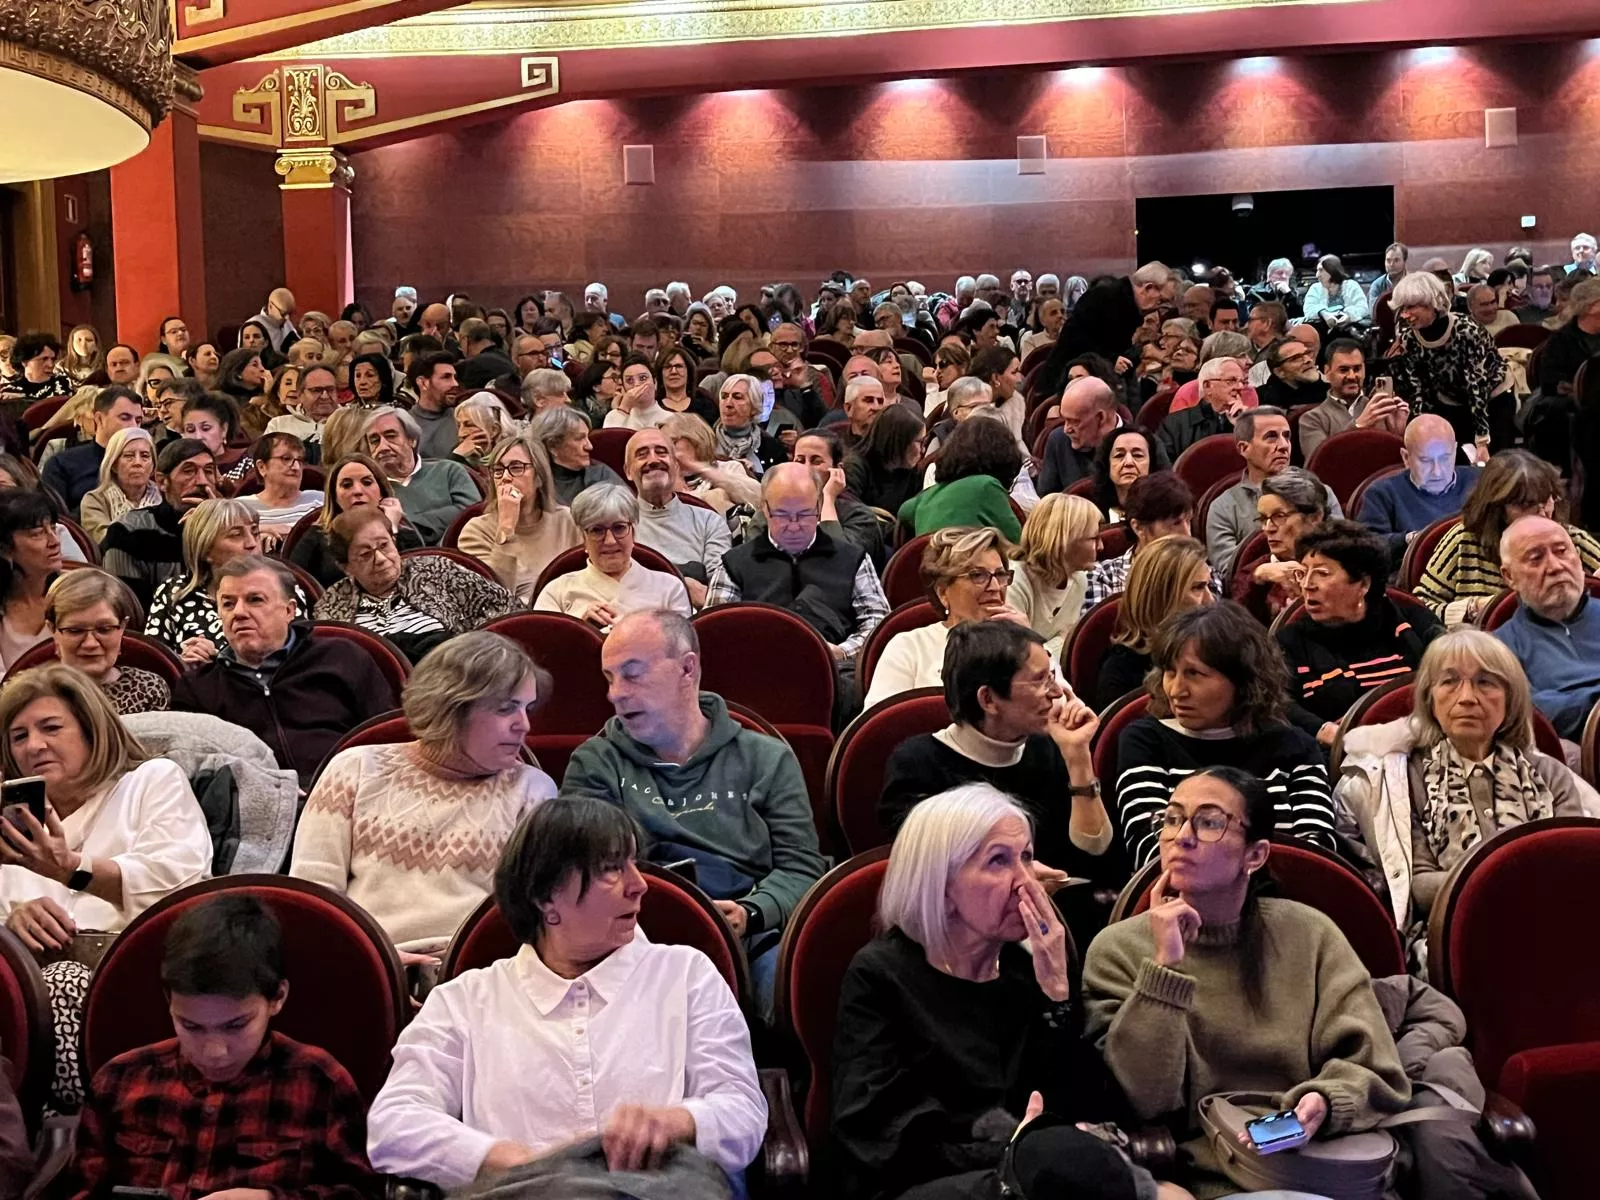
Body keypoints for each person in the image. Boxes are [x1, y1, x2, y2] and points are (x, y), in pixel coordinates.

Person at [366, 796, 766, 1189]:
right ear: (546, 897)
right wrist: (518, 1164)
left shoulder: (686, 975)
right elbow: (394, 1124)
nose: (640, 885)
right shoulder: (466, 1000)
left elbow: (744, 1114)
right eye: (612, 869)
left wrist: (679, 1122)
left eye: (634, 864)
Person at [1084, 766, 1411, 1197]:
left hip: (1322, 1159)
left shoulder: (1310, 934)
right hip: (1219, 1171)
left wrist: (1327, 1101)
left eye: (1209, 822)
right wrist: (1165, 968)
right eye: (1172, 818)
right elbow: (1144, 1098)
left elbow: (1375, 1065)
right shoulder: (1118, 949)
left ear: (1254, 856)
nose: (1182, 836)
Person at [832, 784, 1167, 1200]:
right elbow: (884, 1137)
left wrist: (1057, 995)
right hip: (921, 1185)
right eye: (998, 862)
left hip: (1036, 1179)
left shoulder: (1023, 970)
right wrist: (1017, 1150)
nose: (1026, 882)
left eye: (1026, 857)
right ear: (941, 883)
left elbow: (1085, 1107)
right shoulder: (881, 975)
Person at [560, 609, 826, 1016]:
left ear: (687, 669)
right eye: (609, 678)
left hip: (750, 933)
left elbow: (801, 867)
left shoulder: (766, 758)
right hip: (632, 936)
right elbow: (587, 869)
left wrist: (752, 913)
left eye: (632, 673)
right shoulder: (595, 763)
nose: (615, 693)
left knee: (809, 989)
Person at [68, 893, 379, 1200]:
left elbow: (363, 1193)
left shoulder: (320, 1083)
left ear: (277, 998)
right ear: (168, 1002)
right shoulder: (120, 1081)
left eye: (236, 1025)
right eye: (191, 1026)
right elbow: (84, 1189)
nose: (214, 1051)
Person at [292, 631, 555, 955]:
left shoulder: (533, 789)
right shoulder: (354, 770)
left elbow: (534, 919)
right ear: (451, 707)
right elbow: (315, 899)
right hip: (370, 965)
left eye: (527, 708)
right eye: (507, 709)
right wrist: (377, 963)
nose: (525, 725)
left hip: (482, 973)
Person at [1337, 629, 1599, 931]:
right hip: (1453, 932)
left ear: (1510, 698)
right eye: (1449, 682)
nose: (1466, 698)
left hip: (1555, 919)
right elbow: (1417, 885)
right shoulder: (1403, 778)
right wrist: (1503, 885)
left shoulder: (1549, 773)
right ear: (1430, 698)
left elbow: (1574, 861)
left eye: (1485, 682)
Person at [0, 663, 211, 952]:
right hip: (34, 978)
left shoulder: (152, 781)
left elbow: (177, 887)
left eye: (51, 728)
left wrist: (73, 870)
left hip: (136, 965)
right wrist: (11, 925)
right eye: (19, 736)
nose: (34, 746)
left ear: (92, 731)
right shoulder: (14, 819)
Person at [1112, 602, 1336, 868]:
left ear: (1242, 682)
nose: (1175, 690)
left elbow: (1317, 851)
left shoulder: (1295, 745)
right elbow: (1151, 852)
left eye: (1194, 674)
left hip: (1288, 895)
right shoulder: (1145, 741)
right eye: (1170, 673)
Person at [881, 620, 1114, 866]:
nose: (1057, 692)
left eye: (1052, 676)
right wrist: (1015, 877)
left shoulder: (1052, 747)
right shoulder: (917, 768)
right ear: (988, 699)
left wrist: (1078, 759)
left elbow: (1096, 856)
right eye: (1040, 681)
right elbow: (925, 877)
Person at [171, 556, 396, 788]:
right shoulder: (197, 688)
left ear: (289, 611)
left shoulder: (342, 657)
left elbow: (385, 740)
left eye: (254, 600)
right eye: (228, 604)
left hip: (349, 790)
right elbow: (196, 776)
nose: (238, 613)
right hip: (252, 808)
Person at [705, 462, 889, 662]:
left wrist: (843, 651)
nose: (794, 526)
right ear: (765, 509)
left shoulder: (853, 559)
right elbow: (715, 629)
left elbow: (878, 622)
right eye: (782, 515)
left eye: (804, 514)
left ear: (819, 506)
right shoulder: (734, 564)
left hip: (836, 669)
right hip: (756, 667)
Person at [1277, 521, 1442, 742]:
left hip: (1428, 741)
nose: (1307, 585)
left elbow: (1454, 665)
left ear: (1363, 584)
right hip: (1341, 757)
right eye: (1303, 573)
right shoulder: (1289, 641)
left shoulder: (1413, 621)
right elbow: (1278, 702)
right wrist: (1323, 730)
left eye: (1322, 574)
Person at [1416, 450, 1600, 624]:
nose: (1543, 516)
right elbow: (1418, 610)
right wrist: (1472, 608)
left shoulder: (1569, 539)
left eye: (1546, 500)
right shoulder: (1463, 540)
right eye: (1527, 505)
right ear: (1498, 510)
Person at [313, 506, 519, 662]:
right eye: (366, 554)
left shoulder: (436, 569)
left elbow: (506, 607)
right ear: (346, 567)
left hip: (453, 674)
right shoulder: (332, 604)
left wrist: (471, 649)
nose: (382, 559)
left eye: (384, 546)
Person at [862, 526, 1031, 709]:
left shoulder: (1021, 642)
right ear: (943, 592)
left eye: (1000, 574)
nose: (996, 586)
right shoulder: (910, 648)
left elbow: (1059, 712)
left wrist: (1030, 643)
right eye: (978, 576)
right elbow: (882, 729)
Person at [146, 498, 305, 660]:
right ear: (206, 550)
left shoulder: (282, 585)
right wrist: (183, 661)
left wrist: (219, 661)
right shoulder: (174, 592)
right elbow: (154, 661)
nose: (252, 543)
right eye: (236, 535)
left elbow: (297, 657)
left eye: (255, 532)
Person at [1489, 515, 1600, 741]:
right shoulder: (1499, 648)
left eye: (1561, 551)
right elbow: (1534, 714)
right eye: (1536, 558)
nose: (1555, 567)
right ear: (1509, 577)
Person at [1387, 271, 1510, 460]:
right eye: (1402, 308)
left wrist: (1482, 441)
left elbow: (1477, 387)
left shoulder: (1466, 331)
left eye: (1411, 307)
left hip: (1492, 397)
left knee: (1493, 462)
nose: (1405, 314)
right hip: (1451, 400)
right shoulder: (1409, 338)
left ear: (1433, 304)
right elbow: (1418, 389)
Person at [534, 484, 692, 628]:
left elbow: (680, 649)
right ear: (583, 538)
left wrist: (632, 629)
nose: (609, 541)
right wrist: (579, 627)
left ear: (634, 532)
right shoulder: (556, 592)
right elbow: (543, 648)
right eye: (597, 530)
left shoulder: (670, 588)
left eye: (619, 528)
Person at [456, 431, 581, 603]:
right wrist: (506, 527)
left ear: (539, 477)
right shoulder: (475, 531)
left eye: (516, 468)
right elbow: (494, 596)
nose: (505, 477)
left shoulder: (568, 521)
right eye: (498, 470)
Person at [1094, 534, 1214, 710]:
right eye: (1197, 588)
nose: (1210, 600)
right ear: (1161, 597)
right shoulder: (1121, 673)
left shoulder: (1217, 648)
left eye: (1208, 586)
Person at [100, 439, 220, 610]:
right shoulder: (128, 531)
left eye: (209, 471)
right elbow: (128, 608)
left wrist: (219, 529)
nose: (202, 481)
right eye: (188, 471)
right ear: (162, 481)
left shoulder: (229, 528)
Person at [1207, 407, 1323, 580]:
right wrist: (1261, 573)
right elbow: (1227, 575)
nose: (1284, 446)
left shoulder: (1319, 491)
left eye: (1287, 436)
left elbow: (1340, 548)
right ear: (1244, 448)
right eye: (1271, 437)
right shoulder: (1223, 507)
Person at [1033, 262, 1171, 399]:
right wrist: (1110, 358)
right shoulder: (1105, 296)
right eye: (1160, 301)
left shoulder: (1128, 308)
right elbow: (1074, 336)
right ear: (1148, 288)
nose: (1159, 309)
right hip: (1065, 387)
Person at [623, 428, 730, 604]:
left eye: (661, 452)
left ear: (676, 465)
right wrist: (683, 583)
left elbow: (718, 592)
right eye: (642, 455)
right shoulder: (615, 526)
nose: (653, 460)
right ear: (627, 471)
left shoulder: (709, 522)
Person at [46, 569, 170, 715]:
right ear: (53, 630)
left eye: (104, 629)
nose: (90, 644)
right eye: (75, 631)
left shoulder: (149, 690)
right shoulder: (30, 692)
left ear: (122, 627)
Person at [289, 452, 424, 587]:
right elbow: (292, 583)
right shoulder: (317, 534)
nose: (357, 491)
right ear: (334, 496)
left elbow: (420, 581)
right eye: (347, 485)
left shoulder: (404, 532)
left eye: (367, 482)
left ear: (381, 492)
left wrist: (391, 528)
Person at [1357, 413, 1478, 562]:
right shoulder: (1382, 493)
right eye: (1426, 461)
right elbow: (1364, 547)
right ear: (1406, 457)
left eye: (1445, 458)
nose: (1437, 471)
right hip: (1413, 580)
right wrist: (1409, 539)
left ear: (1454, 450)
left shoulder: (1480, 482)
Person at [364, 406, 480, 544]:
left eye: (391, 436)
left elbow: (472, 513)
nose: (382, 447)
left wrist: (405, 522)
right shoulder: (370, 489)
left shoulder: (449, 471)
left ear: (412, 440)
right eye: (374, 440)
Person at [1229, 466, 1331, 623]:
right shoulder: (1254, 571)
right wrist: (1258, 578)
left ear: (1315, 517)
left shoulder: (1342, 565)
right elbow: (1236, 631)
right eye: (1263, 519)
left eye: (1279, 516)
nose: (1268, 528)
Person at [1084, 470, 1197, 607]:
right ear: (1138, 528)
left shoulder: (1202, 572)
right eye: (1175, 523)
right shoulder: (1103, 577)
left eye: (1189, 521)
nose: (1187, 535)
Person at [900, 415, 1023, 540]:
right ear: (1001, 457)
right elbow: (1018, 544)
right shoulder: (986, 486)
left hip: (929, 558)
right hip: (970, 559)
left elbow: (904, 511)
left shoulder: (926, 497)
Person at [1004, 492, 1099, 653]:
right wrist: (1061, 641)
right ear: (1066, 542)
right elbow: (1019, 658)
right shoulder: (1013, 582)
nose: (1101, 546)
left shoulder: (1079, 580)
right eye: (1094, 539)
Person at [1296, 338, 1407, 460]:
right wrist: (1359, 426)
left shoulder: (1381, 411)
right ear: (1327, 372)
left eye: (1357, 369)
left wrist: (1398, 434)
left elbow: (1397, 463)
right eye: (1344, 370)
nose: (1352, 376)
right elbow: (1319, 462)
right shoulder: (1311, 419)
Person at [40, 384, 144, 514]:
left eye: (138, 420)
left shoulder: (148, 462)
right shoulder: (62, 464)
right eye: (125, 418)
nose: (134, 426)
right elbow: (55, 520)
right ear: (99, 419)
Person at [0, 489, 63, 672]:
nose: (54, 541)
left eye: (53, 528)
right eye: (37, 533)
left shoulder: (77, 595)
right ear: (5, 549)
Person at [76, 426, 161, 546]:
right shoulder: (95, 500)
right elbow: (105, 541)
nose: (138, 462)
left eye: (145, 456)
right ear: (114, 464)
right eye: (129, 456)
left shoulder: (166, 496)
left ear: (153, 466)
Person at [1040, 376, 1123, 496]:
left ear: (1100, 417)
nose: (1066, 429)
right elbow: (1048, 502)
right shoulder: (1058, 440)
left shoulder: (1142, 445)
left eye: (1074, 421)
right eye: (1065, 420)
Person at [842, 402, 925, 517]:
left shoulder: (913, 473)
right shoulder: (854, 467)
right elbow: (849, 513)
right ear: (899, 442)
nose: (923, 449)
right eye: (919, 442)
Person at [239, 431, 323, 544]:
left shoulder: (320, 500)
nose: (296, 467)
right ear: (262, 467)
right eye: (286, 459)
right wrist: (262, 530)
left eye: (300, 460)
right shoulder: (240, 507)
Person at [1157, 357, 1246, 462]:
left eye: (1243, 381)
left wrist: (1245, 427)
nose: (1240, 387)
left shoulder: (1249, 422)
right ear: (1207, 386)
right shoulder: (1174, 424)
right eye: (1231, 381)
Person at [532, 406, 625, 505]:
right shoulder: (534, 482)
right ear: (552, 445)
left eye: (587, 437)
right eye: (579, 438)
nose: (590, 446)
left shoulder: (601, 474)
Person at [1089, 427, 1167, 521]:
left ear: (1152, 465)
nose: (1128, 462)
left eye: (1138, 455)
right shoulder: (1092, 511)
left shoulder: (1167, 512)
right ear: (1107, 465)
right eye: (1119, 455)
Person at [1300, 253, 1370, 331]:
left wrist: (1349, 316)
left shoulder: (1351, 285)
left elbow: (1362, 307)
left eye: (1321, 270)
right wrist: (1324, 314)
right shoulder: (1315, 288)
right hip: (1322, 330)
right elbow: (1308, 309)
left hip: (1349, 329)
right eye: (1317, 271)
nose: (1317, 275)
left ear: (1331, 270)